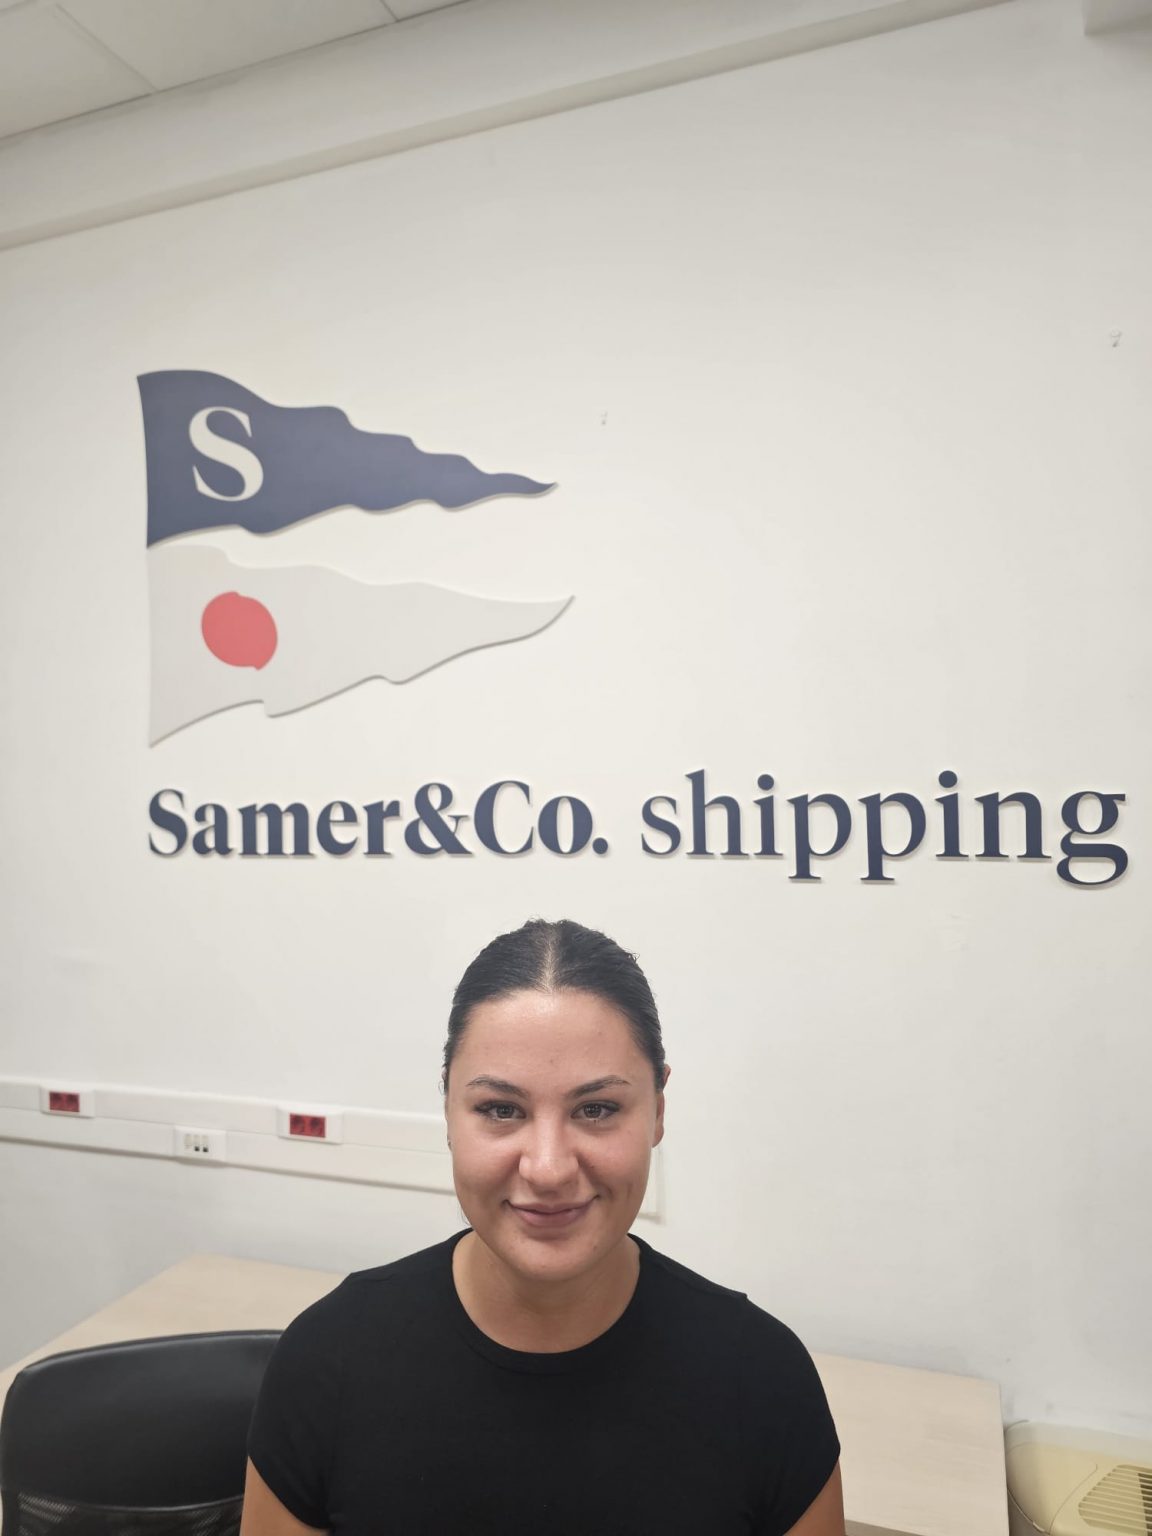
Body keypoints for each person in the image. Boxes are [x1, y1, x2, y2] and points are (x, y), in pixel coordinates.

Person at [241, 918, 844, 1535]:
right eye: (501, 1109)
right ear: (448, 1110)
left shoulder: (764, 1381)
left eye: (597, 1109)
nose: (549, 1168)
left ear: (659, 1111)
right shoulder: (326, 1362)